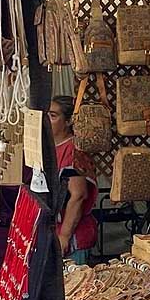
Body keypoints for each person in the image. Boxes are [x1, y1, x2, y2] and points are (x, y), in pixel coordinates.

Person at [48, 96, 98, 265]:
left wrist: (64, 236)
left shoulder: (73, 150)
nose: (47, 121)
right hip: (56, 231)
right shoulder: (52, 148)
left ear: (68, 121)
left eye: (53, 116)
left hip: (73, 237)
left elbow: (78, 196)